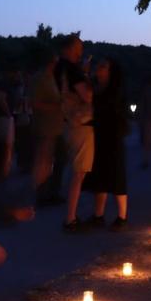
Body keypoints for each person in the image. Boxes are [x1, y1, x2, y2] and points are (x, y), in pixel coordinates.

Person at [82, 58, 129, 228]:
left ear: (110, 72)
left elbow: (110, 111)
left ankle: (122, 217)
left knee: (116, 175)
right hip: (99, 136)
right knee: (99, 175)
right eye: (99, 66)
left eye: (103, 67)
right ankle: (98, 215)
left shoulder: (115, 90)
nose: (99, 69)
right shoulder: (96, 87)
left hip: (113, 137)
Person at [55, 35, 94, 230]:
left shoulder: (58, 68)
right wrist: (87, 78)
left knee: (77, 170)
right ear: (69, 48)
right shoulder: (72, 70)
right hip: (80, 123)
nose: (82, 50)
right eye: (79, 47)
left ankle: (71, 216)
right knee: (79, 172)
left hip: (66, 122)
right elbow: (86, 96)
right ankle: (70, 219)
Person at [29, 51, 64, 204]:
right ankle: (41, 195)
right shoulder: (40, 79)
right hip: (45, 128)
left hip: (56, 127)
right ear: (50, 63)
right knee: (44, 162)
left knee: (57, 160)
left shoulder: (52, 78)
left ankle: (52, 192)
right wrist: (57, 106)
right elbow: (35, 103)